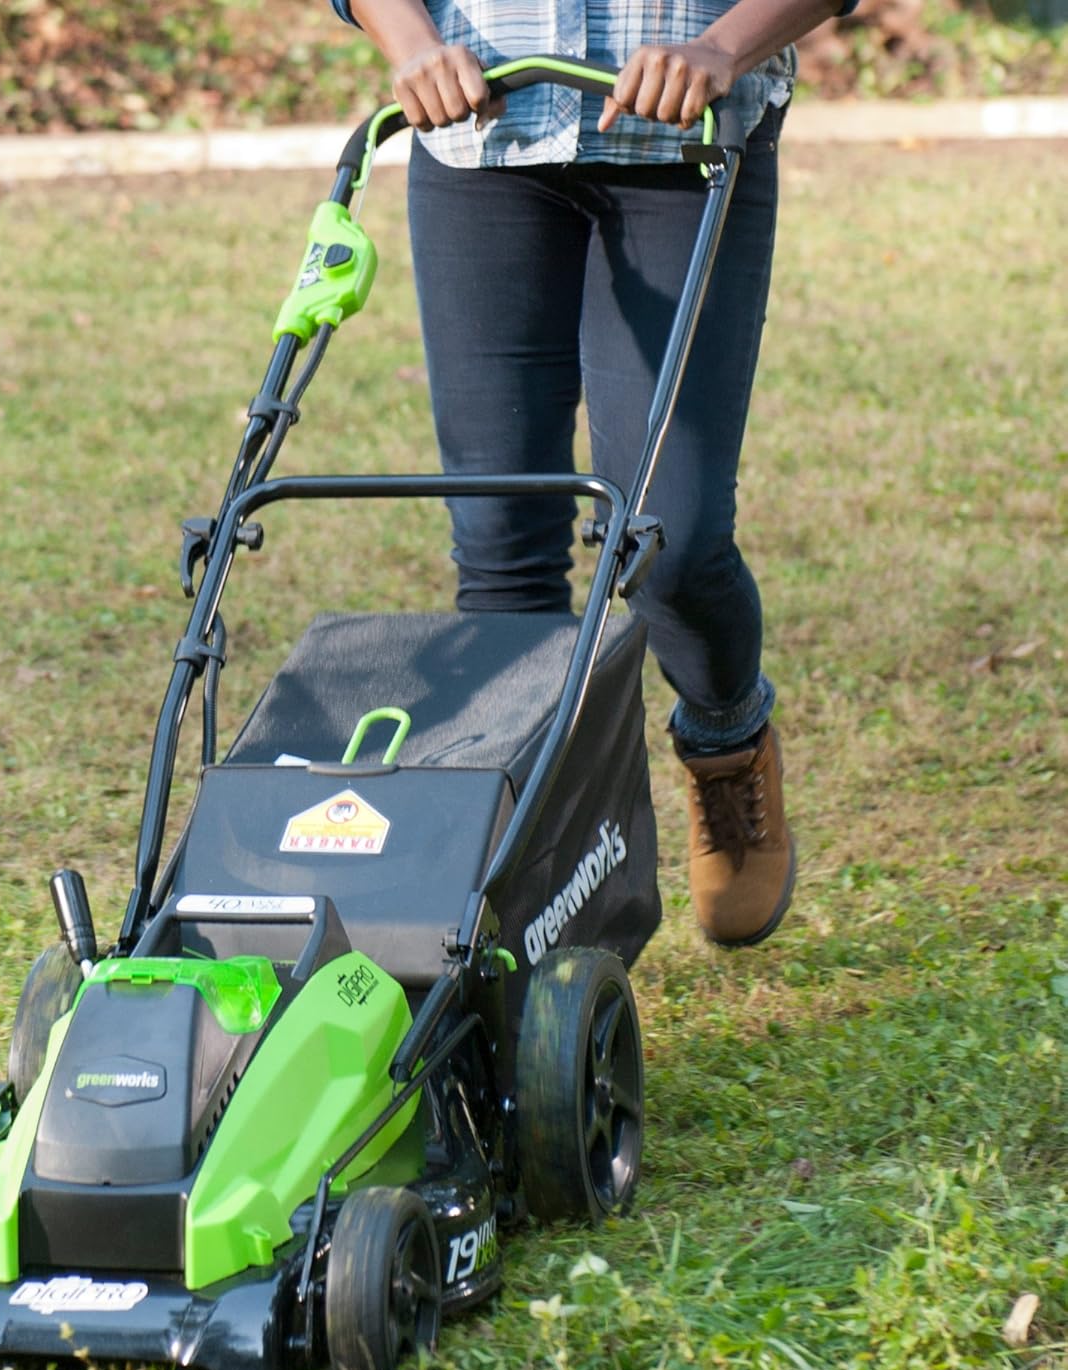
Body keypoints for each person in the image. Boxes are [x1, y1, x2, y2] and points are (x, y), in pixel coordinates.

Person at [328, 0, 852, 946]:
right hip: (479, 144)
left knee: (671, 543)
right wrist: (409, 45)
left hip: (684, 150)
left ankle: (726, 742)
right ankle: (524, 888)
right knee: (500, 544)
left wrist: (720, 46)